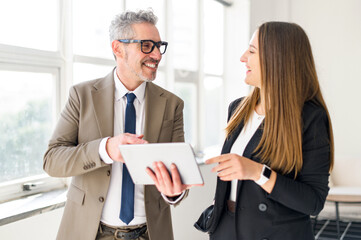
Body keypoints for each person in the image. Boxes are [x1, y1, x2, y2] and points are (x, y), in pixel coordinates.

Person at [44, 9, 193, 240]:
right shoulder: (82, 96)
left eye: (159, 45)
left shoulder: (172, 105)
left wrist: (174, 194)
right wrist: (106, 149)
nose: (156, 55)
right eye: (146, 45)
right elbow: (52, 160)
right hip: (90, 233)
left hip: (150, 234)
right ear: (118, 48)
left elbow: (178, 174)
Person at [204, 21, 334, 240]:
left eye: (252, 51)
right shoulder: (237, 109)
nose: (243, 57)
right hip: (227, 229)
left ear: (277, 59)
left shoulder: (310, 117)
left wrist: (257, 172)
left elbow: (313, 202)